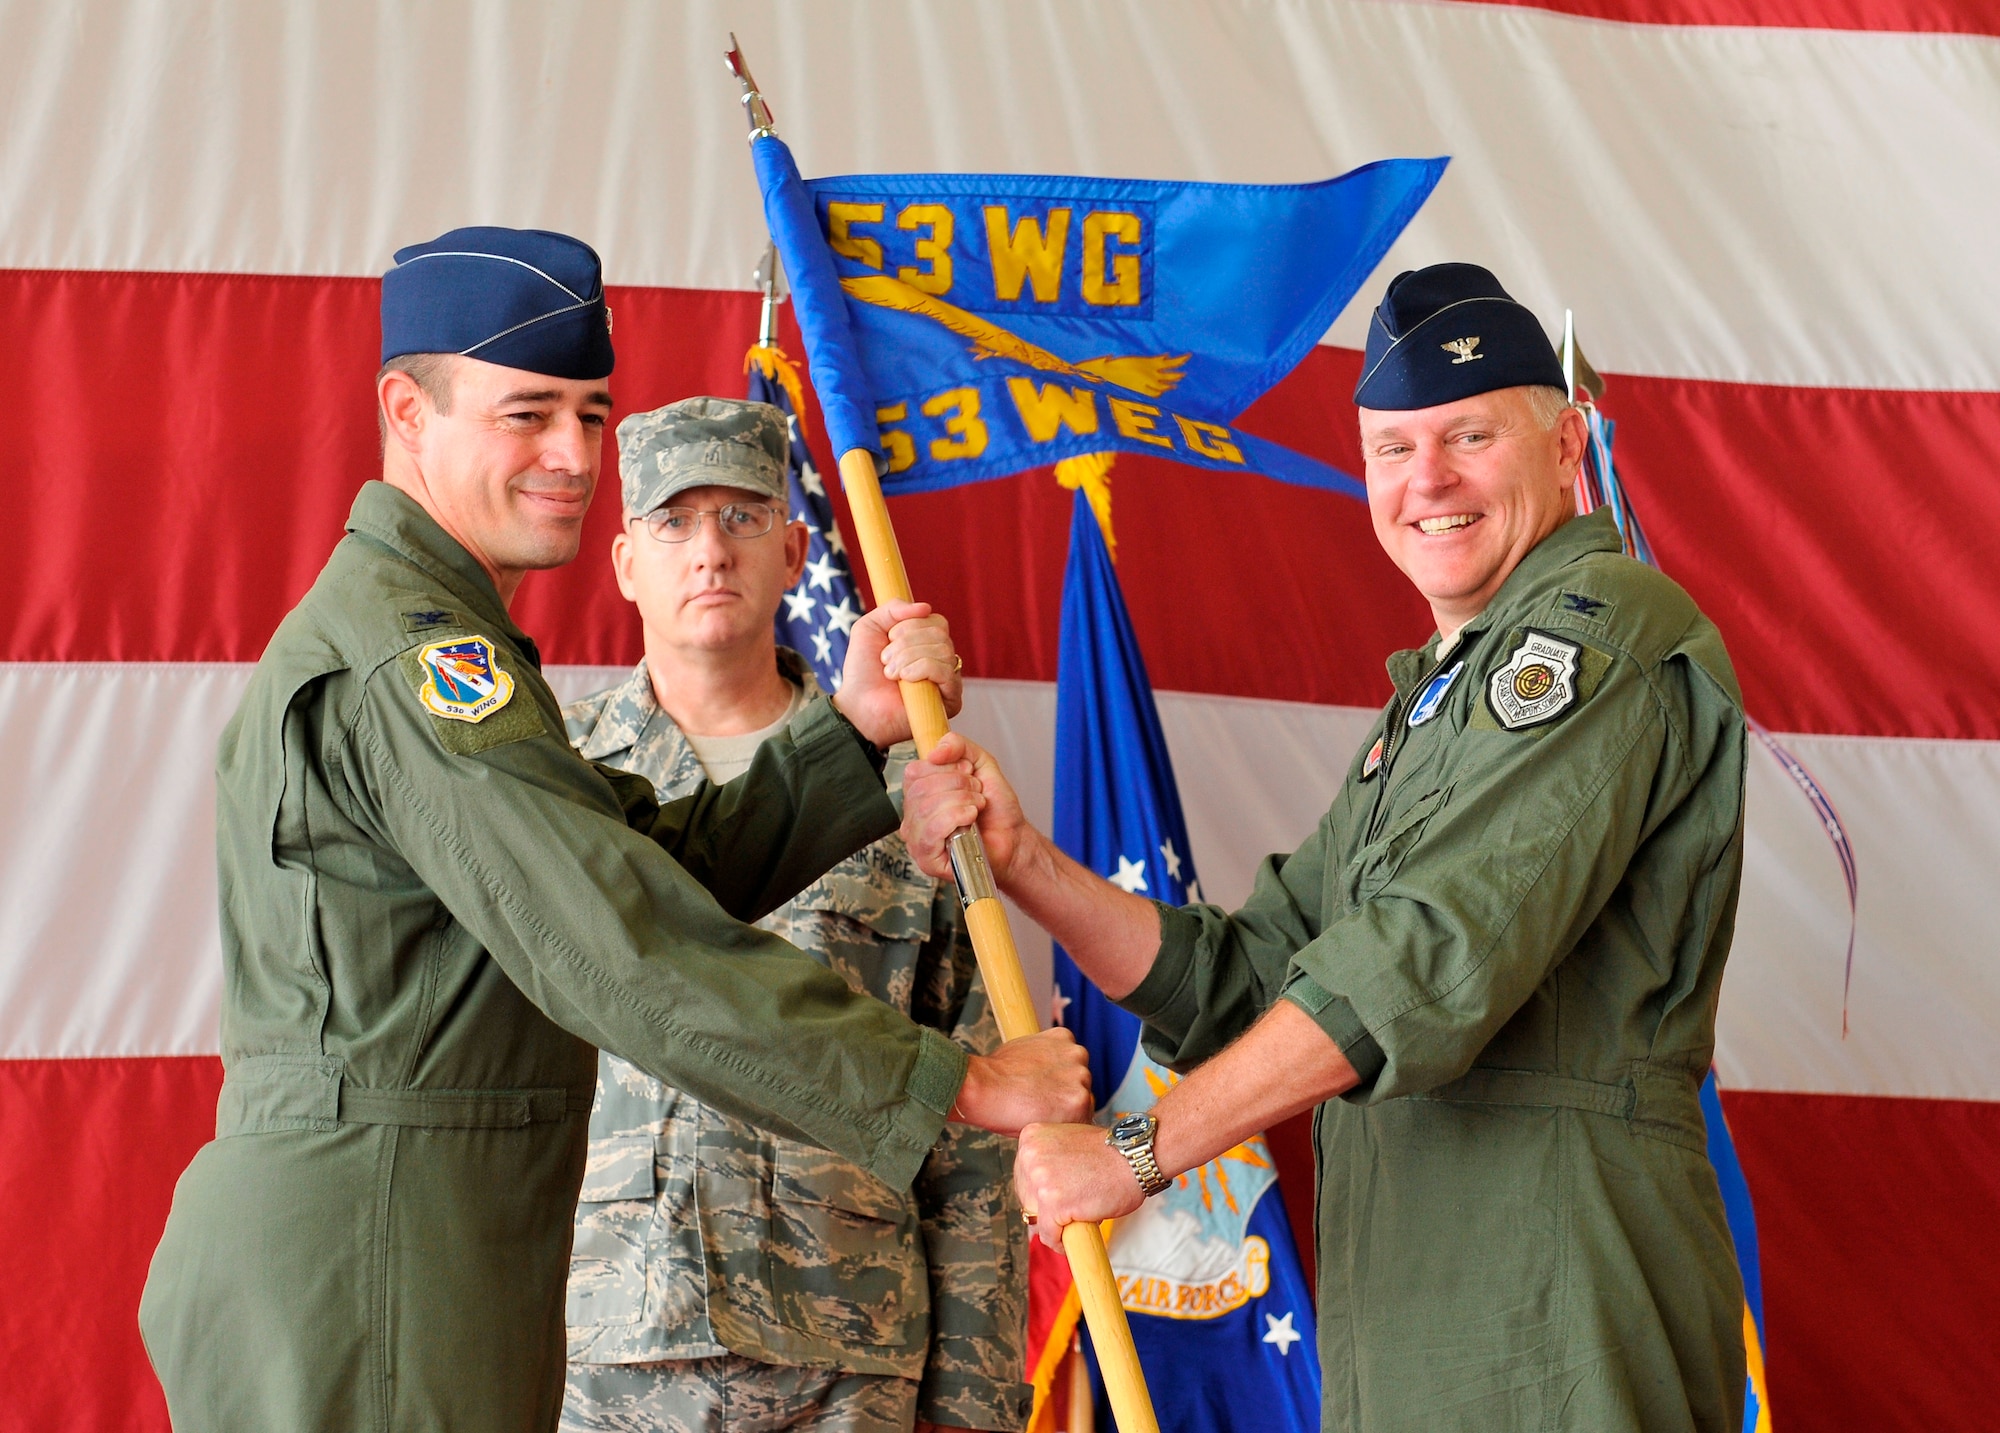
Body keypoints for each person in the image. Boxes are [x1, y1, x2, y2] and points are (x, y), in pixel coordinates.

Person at [137, 227, 1088, 1433]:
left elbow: (640, 864)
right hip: (378, 1251)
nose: (575, 456)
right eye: (528, 413)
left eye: (590, 415)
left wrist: (842, 742)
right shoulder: (418, 659)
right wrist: (948, 1080)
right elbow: (617, 939)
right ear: (406, 409)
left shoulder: (438, 629)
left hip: (421, 1243)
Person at [901, 263, 1750, 1431]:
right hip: (1419, 1306)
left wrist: (1134, 1152)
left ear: (1564, 447)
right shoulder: (1434, 704)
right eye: (1390, 448)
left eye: (1466, 435)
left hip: (1556, 1299)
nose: (1426, 481)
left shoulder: (1596, 641)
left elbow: (1416, 964)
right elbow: (1246, 969)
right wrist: (1025, 862)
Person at [559, 397, 1028, 1433]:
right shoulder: (552, 781)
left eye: (740, 516)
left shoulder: (913, 788)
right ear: (625, 562)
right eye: (673, 522)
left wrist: (974, 1402)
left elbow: (976, 1143)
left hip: (847, 1353)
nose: (708, 551)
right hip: (601, 1347)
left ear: (793, 546)